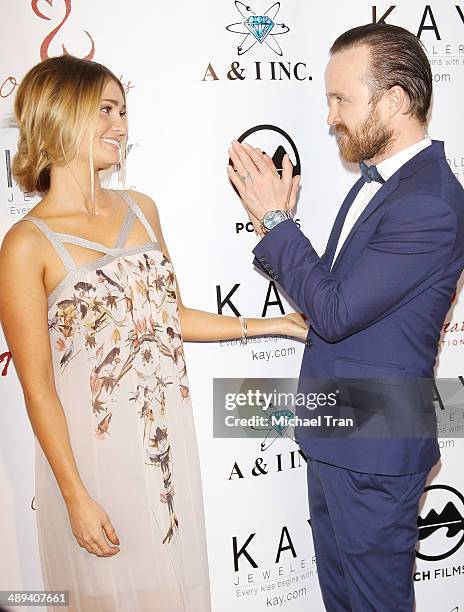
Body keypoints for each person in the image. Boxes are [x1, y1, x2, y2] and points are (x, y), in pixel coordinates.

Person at [0, 55, 308, 612]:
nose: (120, 125)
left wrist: (275, 324)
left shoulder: (142, 209)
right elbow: (38, 388)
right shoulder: (26, 244)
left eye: (123, 111)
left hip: (166, 451)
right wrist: (75, 496)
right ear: (59, 114)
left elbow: (169, 319)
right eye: (105, 110)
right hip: (95, 464)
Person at [227, 23, 464, 612]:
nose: (331, 117)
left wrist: (277, 223)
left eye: (342, 100)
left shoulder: (427, 202)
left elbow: (332, 311)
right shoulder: (384, 185)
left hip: (376, 452)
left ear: (396, 100)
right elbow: (342, 306)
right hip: (337, 432)